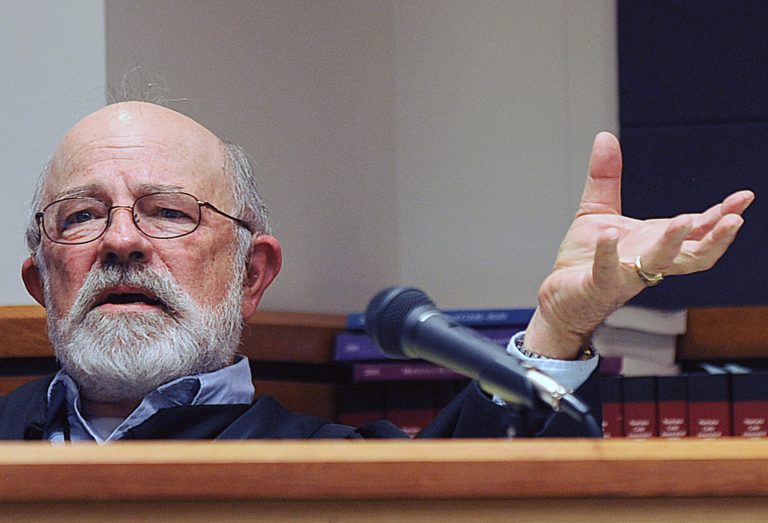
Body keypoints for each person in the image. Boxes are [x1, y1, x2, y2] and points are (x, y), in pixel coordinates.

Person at [0, 102, 754, 441]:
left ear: (251, 274)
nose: (122, 240)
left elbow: (473, 488)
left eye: (168, 211)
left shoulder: (335, 472)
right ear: (43, 285)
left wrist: (561, 324)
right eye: (81, 215)